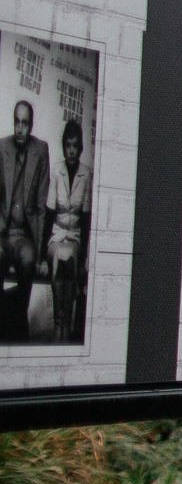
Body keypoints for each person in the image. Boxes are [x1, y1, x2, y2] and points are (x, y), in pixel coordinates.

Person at [0, 100, 49, 340]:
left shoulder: (40, 150)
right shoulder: (2, 148)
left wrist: (40, 256)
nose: (20, 128)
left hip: (24, 237)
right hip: (2, 232)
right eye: (17, 122)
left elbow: (41, 208)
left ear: (31, 126)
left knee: (28, 259)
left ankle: (17, 322)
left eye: (25, 123)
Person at [48, 117, 88, 342]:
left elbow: (86, 218)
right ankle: (58, 323)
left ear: (80, 148)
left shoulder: (86, 174)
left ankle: (67, 323)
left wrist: (84, 258)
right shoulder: (56, 170)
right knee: (57, 259)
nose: (71, 150)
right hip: (57, 235)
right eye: (67, 145)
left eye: (74, 145)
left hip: (74, 238)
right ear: (63, 146)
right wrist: (41, 256)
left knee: (70, 259)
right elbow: (49, 212)